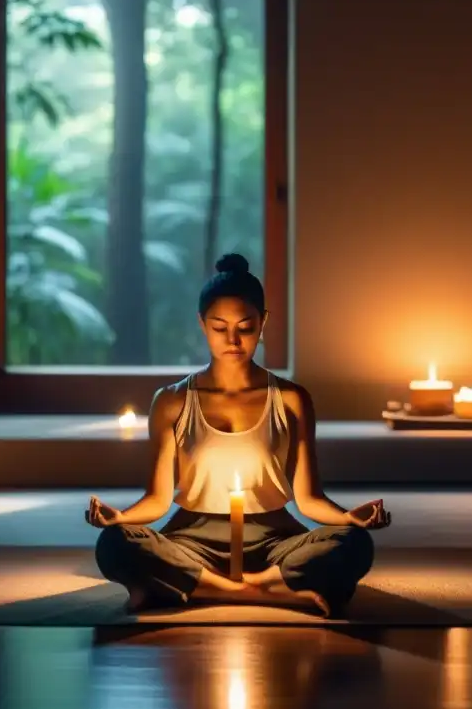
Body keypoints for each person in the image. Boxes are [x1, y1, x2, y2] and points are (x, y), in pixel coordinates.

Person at [87, 253, 391, 617]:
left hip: (274, 541)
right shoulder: (171, 401)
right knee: (114, 545)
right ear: (202, 324)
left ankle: (199, 589)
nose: (232, 339)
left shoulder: (291, 400)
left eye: (245, 327)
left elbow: (308, 499)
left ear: (263, 323)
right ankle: (263, 591)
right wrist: (117, 519)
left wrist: (349, 519)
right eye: (219, 327)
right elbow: (157, 499)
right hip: (192, 541)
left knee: (354, 545)